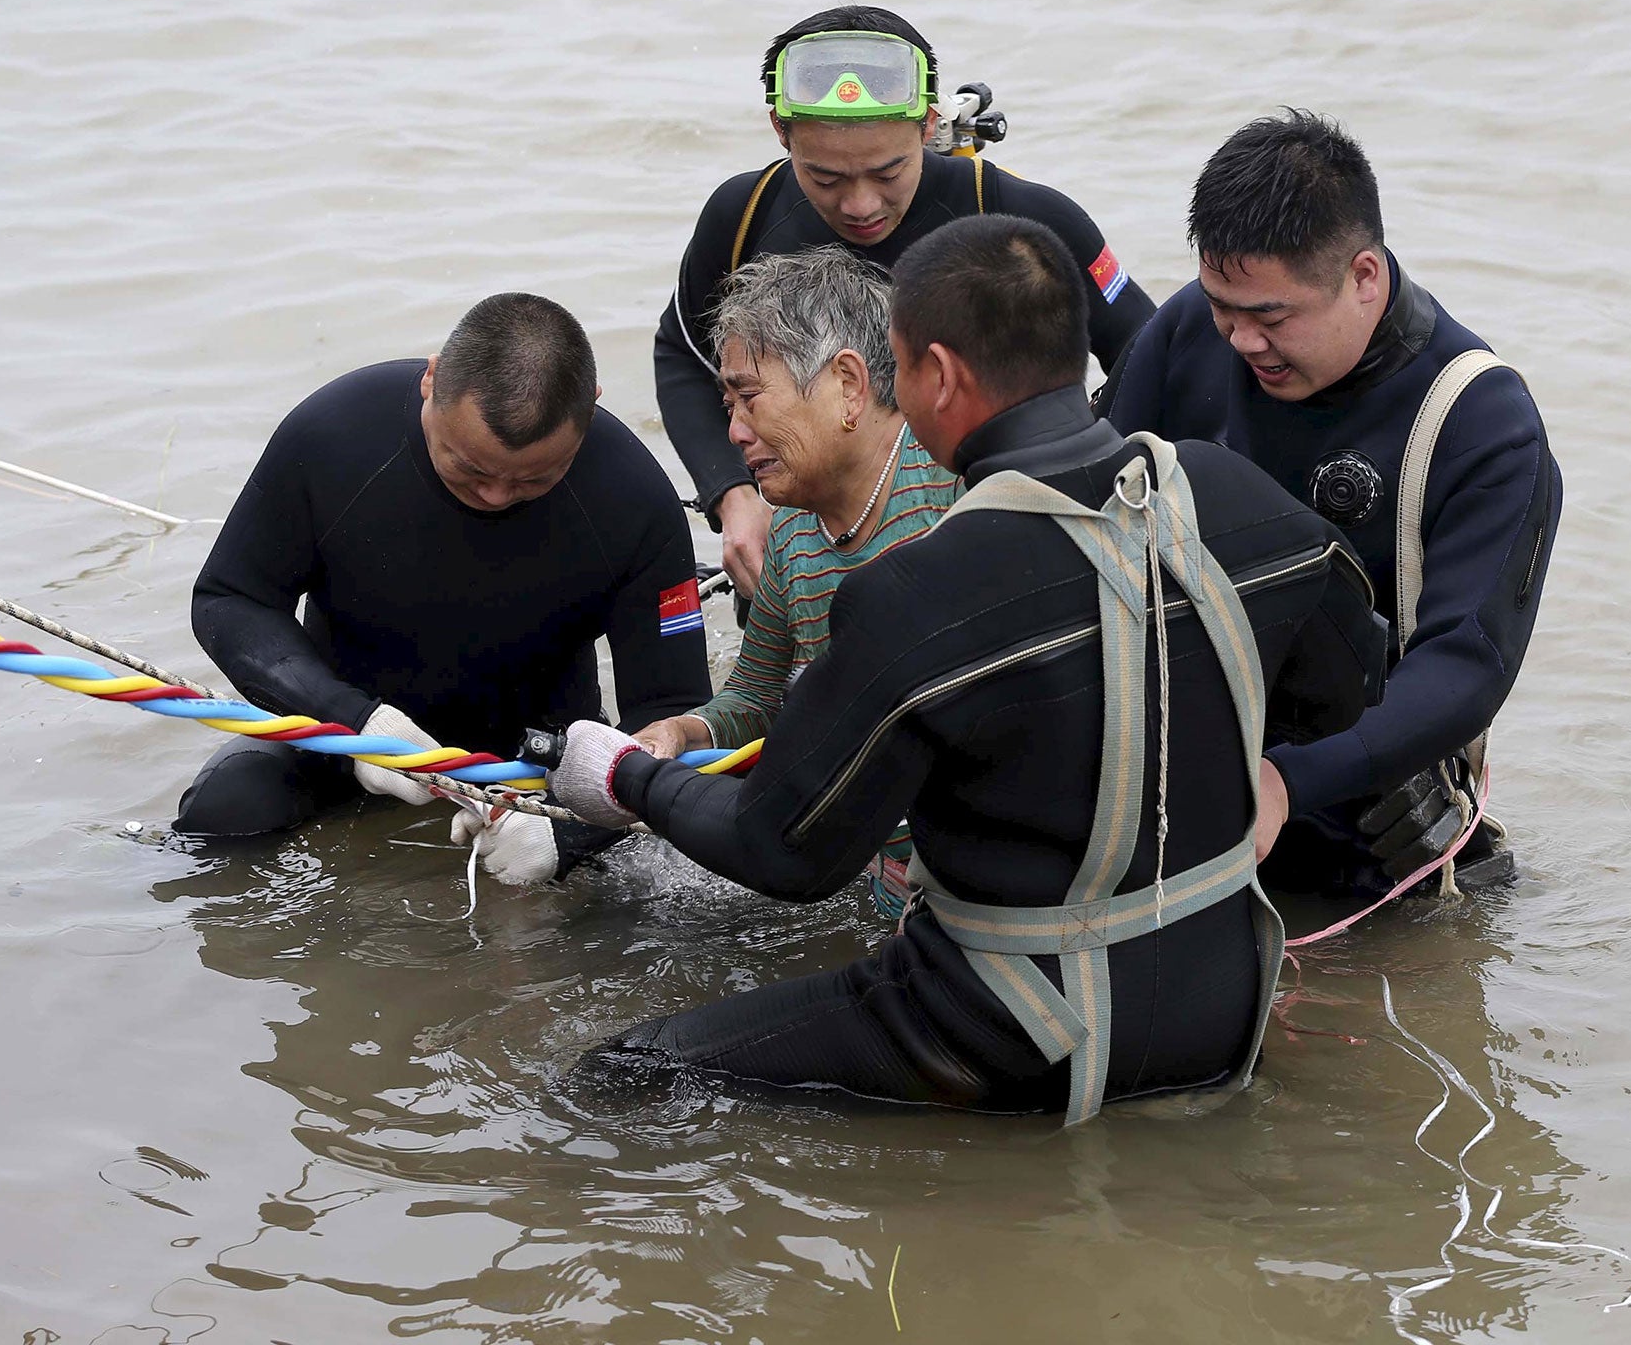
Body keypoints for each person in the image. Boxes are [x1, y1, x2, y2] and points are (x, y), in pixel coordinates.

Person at [547, 214, 1384, 1122]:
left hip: (1019, 1032)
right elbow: (1353, 688)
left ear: (936, 377)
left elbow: (780, 851)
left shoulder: (916, 588)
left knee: (631, 1069)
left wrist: (626, 775)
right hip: (1224, 1006)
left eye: (901, 370)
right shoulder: (1240, 498)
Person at [1104, 110, 1562, 914]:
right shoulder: (1190, 329)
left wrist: (1287, 783)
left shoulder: (1482, 421)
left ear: (1363, 277)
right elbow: (1087, 512)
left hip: (1369, 838)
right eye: (1224, 306)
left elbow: (1468, 666)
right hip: (1181, 786)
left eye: (1273, 318)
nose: (1241, 341)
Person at [176, 293, 714, 878]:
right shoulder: (333, 434)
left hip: (535, 760)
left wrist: (569, 828)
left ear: (591, 410)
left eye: (534, 480)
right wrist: (352, 722)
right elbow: (232, 599)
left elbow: (670, 714)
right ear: (431, 380)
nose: (495, 497)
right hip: (345, 738)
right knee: (224, 814)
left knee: (629, 877)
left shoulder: (635, 498)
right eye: (470, 468)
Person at [655, 3, 1156, 600]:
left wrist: (1081, 489)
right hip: (804, 565)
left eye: (888, 172)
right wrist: (732, 494)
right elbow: (682, 355)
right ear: (780, 131)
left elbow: (1152, 352)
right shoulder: (741, 217)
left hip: (998, 556)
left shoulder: (1027, 218)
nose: (860, 204)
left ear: (928, 126)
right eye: (826, 178)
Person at [628, 246, 958, 918]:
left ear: (847, 384)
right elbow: (756, 702)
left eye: (748, 398)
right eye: (727, 404)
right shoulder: (792, 539)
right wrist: (681, 735)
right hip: (890, 891)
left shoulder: (957, 482)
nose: (733, 431)